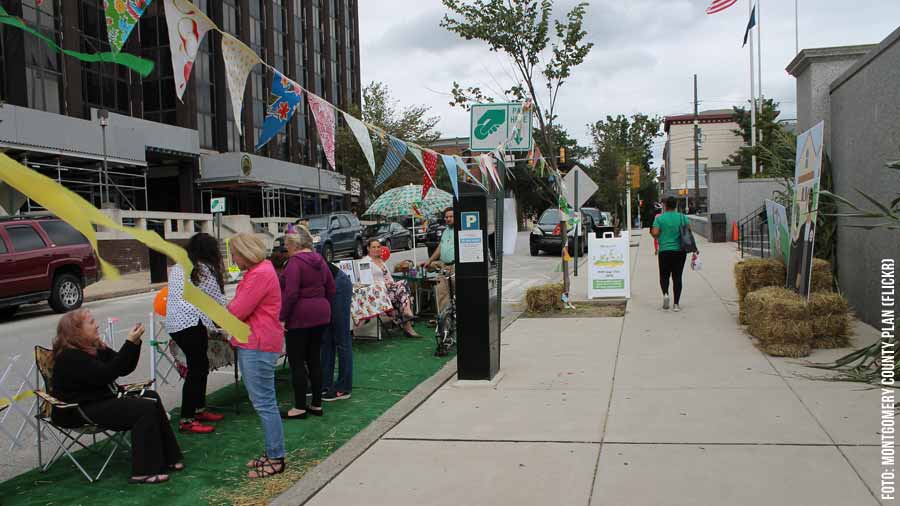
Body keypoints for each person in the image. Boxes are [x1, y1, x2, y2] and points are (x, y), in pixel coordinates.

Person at [51, 310, 183, 485]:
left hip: (100, 399)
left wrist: (134, 344)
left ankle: (169, 457)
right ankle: (143, 472)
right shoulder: (70, 356)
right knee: (144, 409)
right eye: (91, 323)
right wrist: (128, 343)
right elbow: (106, 374)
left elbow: (123, 367)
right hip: (78, 409)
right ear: (77, 331)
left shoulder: (94, 347)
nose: (96, 325)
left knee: (152, 397)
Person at [227, 233, 286, 479]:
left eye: (234, 254)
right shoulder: (260, 271)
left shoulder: (259, 274)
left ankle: (276, 457)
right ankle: (273, 452)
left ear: (245, 253)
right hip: (258, 341)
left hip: (257, 343)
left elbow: (236, 310)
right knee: (264, 401)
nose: (232, 258)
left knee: (264, 402)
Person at [165, 232, 227, 434]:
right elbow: (216, 301)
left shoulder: (179, 266)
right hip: (190, 323)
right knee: (197, 368)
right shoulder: (202, 270)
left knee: (200, 365)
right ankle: (187, 418)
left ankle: (199, 409)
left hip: (177, 324)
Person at [279, 229, 335, 419]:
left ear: (294, 245)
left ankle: (300, 406)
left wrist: (282, 317)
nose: (286, 250)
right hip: (321, 311)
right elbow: (331, 287)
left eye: (287, 246)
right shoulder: (320, 260)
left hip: (300, 315)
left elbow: (291, 293)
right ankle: (317, 403)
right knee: (314, 358)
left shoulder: (295, 263)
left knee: (297, 361)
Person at [368, 239, 420, 337]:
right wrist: (385, 284)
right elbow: (367, 280)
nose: (376, 249)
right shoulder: (366, 262)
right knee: (403, 286)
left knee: (401, 293)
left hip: (389, 291)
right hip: (378, 293)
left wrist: (390, 284)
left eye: (378, 247)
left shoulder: (381, 261)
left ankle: (407, 318)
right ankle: (407, 314)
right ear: (368, 249)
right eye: (373, 247)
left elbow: (390, 278)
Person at [650, 197, 690, 312]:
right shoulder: (682, 218)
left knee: (664, 275)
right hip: (680, 251)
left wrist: (655, 234)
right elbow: (688, 231)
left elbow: (655, 233)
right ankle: (676, 304)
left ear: (665, 205)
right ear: (676, 205)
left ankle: (666, 295)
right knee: (677, 277)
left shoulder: (660, 219)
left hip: (664, 251)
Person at [322, 261, 353, 401]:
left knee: (341, 339)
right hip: (328, 287)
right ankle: (325, 383)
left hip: (338, 284)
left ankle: (343, 387)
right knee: (326, 339)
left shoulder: (297, 261)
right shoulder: (292, 262)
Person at [422, 207, 456, 314]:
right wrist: (429, 260)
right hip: (444, 266)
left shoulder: (461, 230)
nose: (448, 219)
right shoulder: (445, 231)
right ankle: (444, 321)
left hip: (456, 266)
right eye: (446, 217)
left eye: (451, 216)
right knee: (441, 293)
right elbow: (440, 247)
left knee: (456, 294)